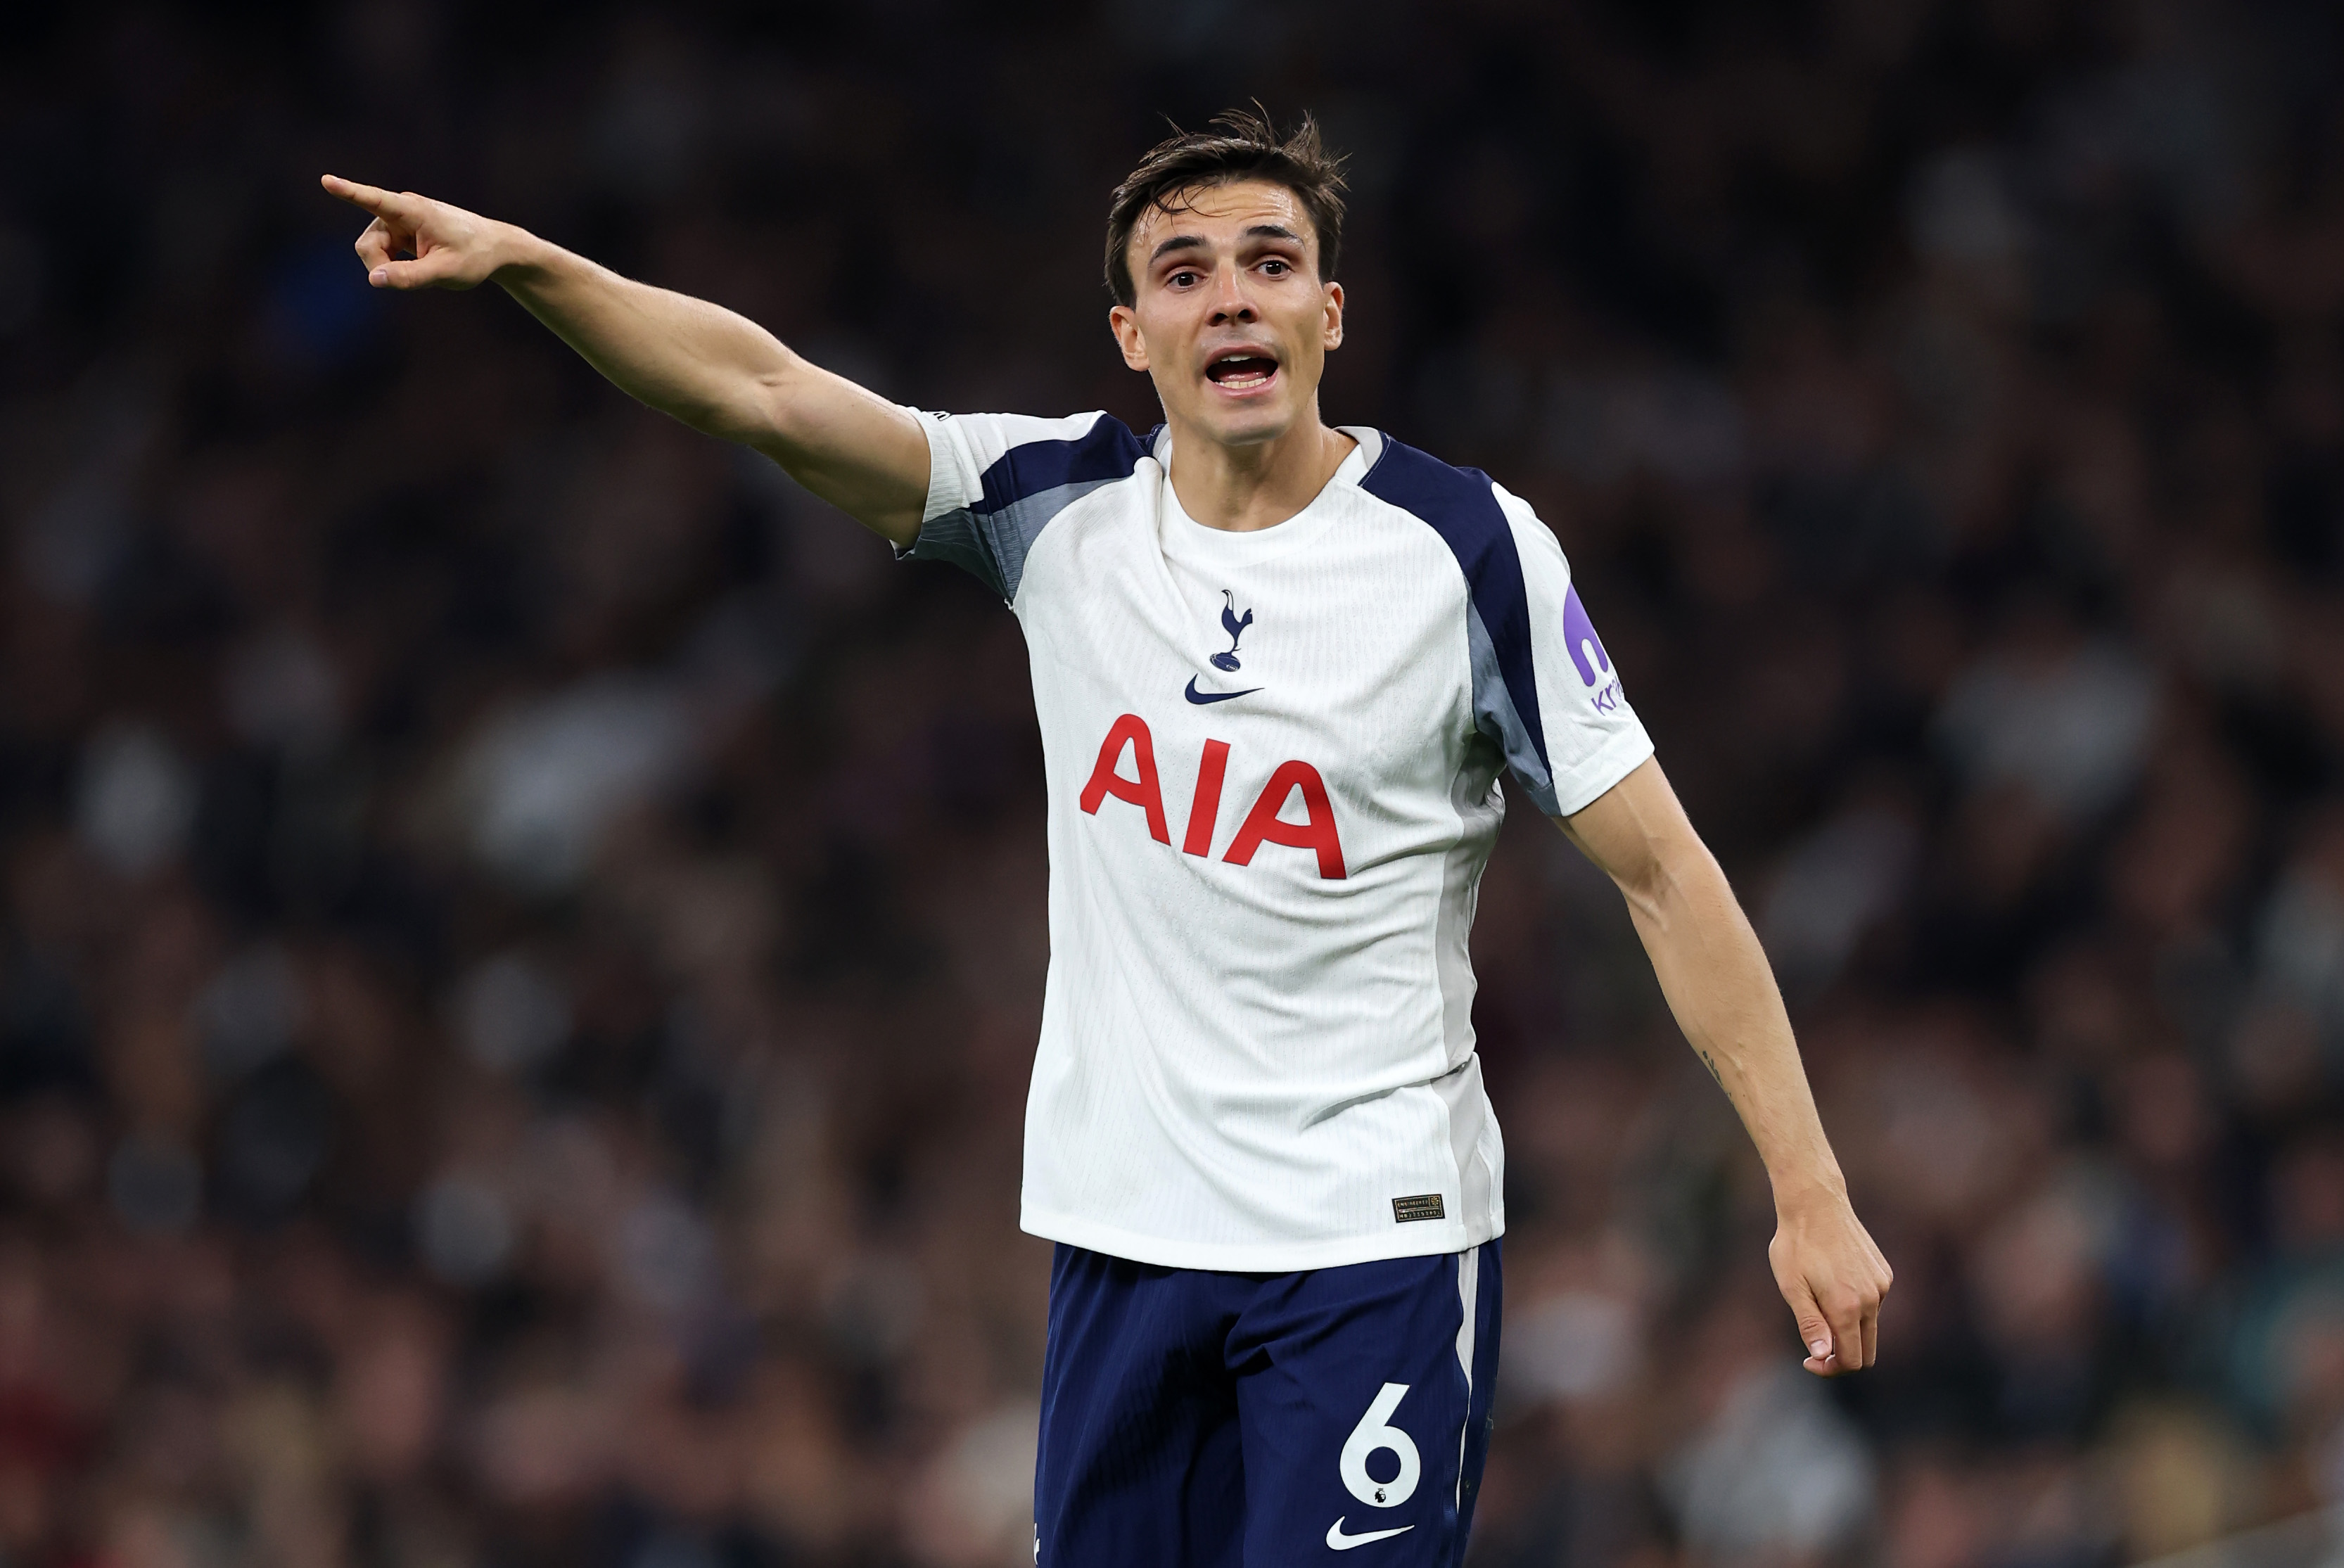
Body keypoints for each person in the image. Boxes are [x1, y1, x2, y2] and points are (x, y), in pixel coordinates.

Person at [324, 107, 1890, 1567]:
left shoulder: (1461, 549)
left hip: (1372, 1246)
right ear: (1133, 338)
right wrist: (529, 263)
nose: (1232, 301)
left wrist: (1807, 1186)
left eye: (1271, 265)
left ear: (1328, 315)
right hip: (1122, 1238)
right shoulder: (1052, 502)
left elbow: (1666, 872)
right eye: (1185, 273)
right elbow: (763, 390)